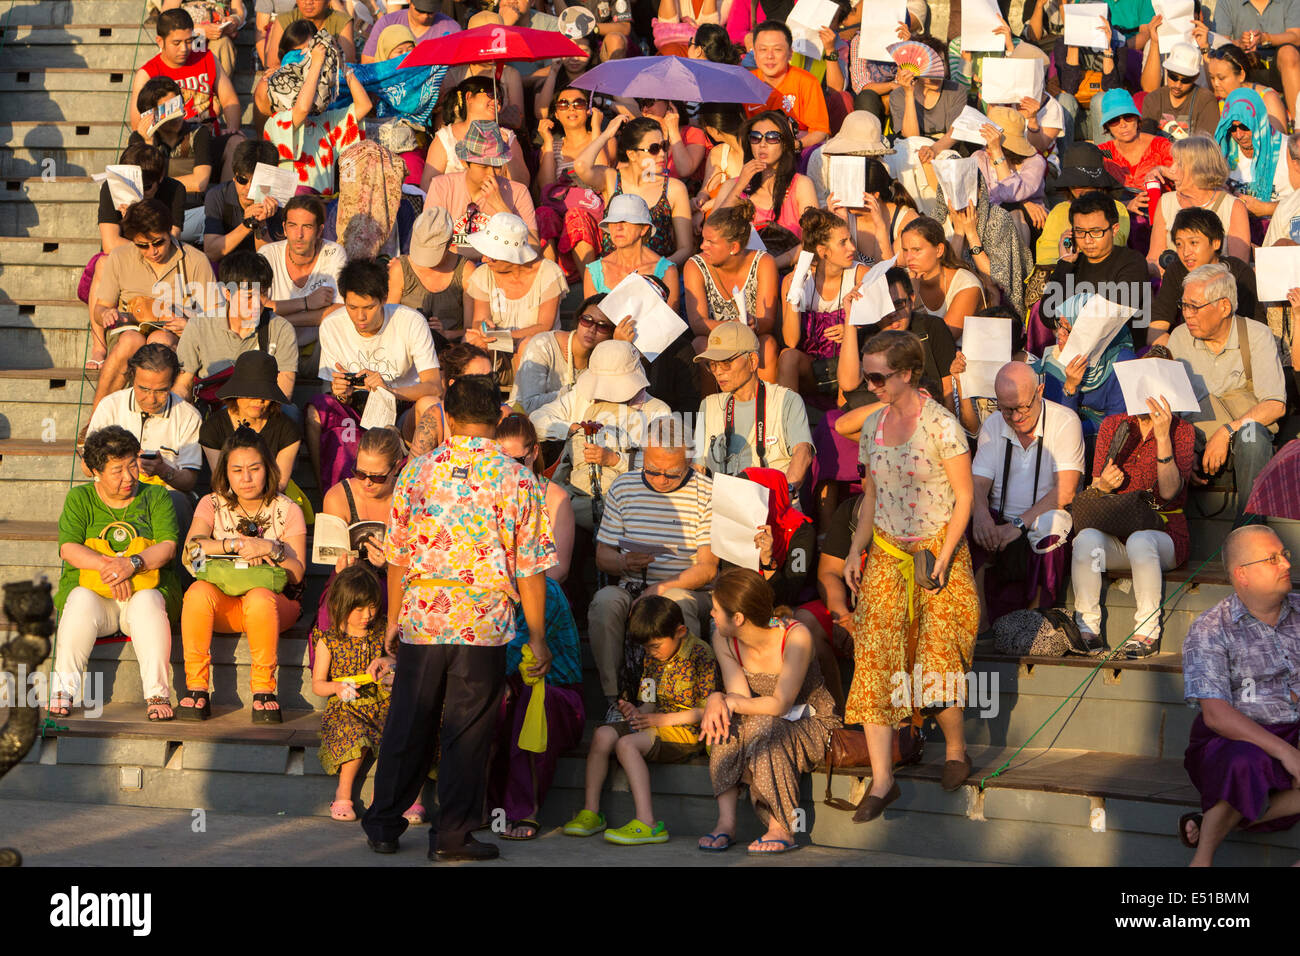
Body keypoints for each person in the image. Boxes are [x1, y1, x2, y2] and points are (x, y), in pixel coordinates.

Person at [361, 376, 555, 862]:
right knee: (467, 730)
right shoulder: (518, 478)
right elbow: (530, 570)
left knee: (408, 721)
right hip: (483, 623)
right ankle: (451, 837)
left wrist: (393, 618)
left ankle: (383, 823)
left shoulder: (415, 472)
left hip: (422, 617)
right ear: (499, 416)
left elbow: (399, 557)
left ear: (446, 415)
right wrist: (537, 637)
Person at [842, 330, 979, 818]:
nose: (871, 384)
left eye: (878, 376)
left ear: (907, 374)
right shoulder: (874, 424)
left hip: (934, 551)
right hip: (884, 549)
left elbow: (965, 497)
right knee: (875, 657)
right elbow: (872, 497)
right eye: (867, 376)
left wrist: (944, 556)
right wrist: (854, 552)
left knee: (939, 653)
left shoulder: (942, 425)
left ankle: (956, 750)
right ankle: (883, 781)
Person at [1180, 524, 1300, 866]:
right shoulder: (1211, 628)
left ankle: (1210, 825)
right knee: (1245, 763)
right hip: (1235, 741)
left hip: (1295, 730)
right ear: (1242, 575)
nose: (1286, 564)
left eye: (1285, 555)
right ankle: (1202, 860)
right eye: (1273, 559)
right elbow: (1216, 715)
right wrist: (1287, 753)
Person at [699, 568, 841, 853]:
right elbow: (738, 694)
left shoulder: (795, 635)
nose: (711, 615)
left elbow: (781, 704)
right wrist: (718, 699)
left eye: (715, 610)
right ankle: (726, 823)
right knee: (726, 726)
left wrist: (730, 702)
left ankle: (781, 826)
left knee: (766, 728)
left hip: (812, 719)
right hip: (760, 716)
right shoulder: (724, 639)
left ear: (738, 618)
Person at [49, 426, 181, 722]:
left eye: (133, 465)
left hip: (144, 598)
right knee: (80, 598)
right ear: (96, 471)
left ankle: (158, 693)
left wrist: (131, 565)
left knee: (147, 601)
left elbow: (168, 547)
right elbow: (68, 548)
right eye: (117, 470)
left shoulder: (156, 496)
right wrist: (113, 568)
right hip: (98, 601)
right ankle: (63, 690)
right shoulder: (79, 499)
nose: (129, 477)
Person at [564, 596, 718, 845]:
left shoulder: (701, 654)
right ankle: (591, 812)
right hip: (655, 723)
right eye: (646, 648)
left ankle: (648, 823)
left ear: (680, 631)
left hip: (686, 731)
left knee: (626, 745)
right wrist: (636, 712)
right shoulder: (652, 657)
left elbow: (706, 710)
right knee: (603, 735)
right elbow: (648, 700)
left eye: (655, 646)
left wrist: (660, 719)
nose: (650, 652)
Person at [589, 415, 717, 712]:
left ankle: (682, 699)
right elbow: (602, 556)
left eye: (671, 473)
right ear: (642, 457)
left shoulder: (705, 491)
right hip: (633, 583)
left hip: (685, 587)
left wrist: (659, 589)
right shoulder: (624, 486)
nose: (660, 479)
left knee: (676, 602)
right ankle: (614, 697)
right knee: (604, 602)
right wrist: (623, 561)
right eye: (652, 470)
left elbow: (708, 568)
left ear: (688, 461)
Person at [178, 428, 307, 722]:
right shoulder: (211, 503)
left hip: (273, 607)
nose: (245, 478)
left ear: (268, 470)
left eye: (254, 469)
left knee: (260, 597)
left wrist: (271, 549)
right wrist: (232, 544)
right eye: (236, 470)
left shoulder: (286, 509)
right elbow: (192, 558)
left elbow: (297, 574)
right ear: (226, 472)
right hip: (223, 605)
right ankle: (196, 688)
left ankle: (264, 691)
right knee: (197, 593)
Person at [1071, 398, 1197, 659]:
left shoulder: (1182, 430)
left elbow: (1169, 492)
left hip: (1163, 533)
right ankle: (1087, 629)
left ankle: (1146, 631)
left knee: (1140, 541)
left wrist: (1163, 437)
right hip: (1117, 532)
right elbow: (1096, 489)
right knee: (1086, 539)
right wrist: (1103, 486)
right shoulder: (1114, 425)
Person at [970, 361, 1085, 624]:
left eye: (1022, 407)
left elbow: (1065, 491)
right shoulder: (993, 424)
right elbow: (977, 484)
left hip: (1039, 520)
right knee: (966, 518)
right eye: (1006, 409)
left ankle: (1033, 622)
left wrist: (1017, 525)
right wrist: (981, 516)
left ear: (1040, 391)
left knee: (1053, 525)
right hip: (998, 521)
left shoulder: (1065, 421)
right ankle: (981, 622)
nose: (1015, 416)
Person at [1168, 263, 1286, 518]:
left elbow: (1275, 404)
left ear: (1224, 307)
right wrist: (1184, 450)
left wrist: (1226, 432)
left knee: (1252, 436)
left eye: (1194, 306)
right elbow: (1173, 408)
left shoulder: (1256, 335)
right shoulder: (1178, 338)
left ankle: (1250, 529)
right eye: (1184, 305)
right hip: (1197, 438)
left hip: (1245, 438)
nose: (1187, 314)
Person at [310, 258, 441, 486]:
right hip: (355, 407)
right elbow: (331, 394)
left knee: (429, 404)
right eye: (352, 307)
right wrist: (342, 393)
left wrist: (389, 390)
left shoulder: (410, 321)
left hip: (402, 407)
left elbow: (434, 386)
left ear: (383, 300)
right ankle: (326, 490)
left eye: (368, 308)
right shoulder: (332, 325)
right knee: (316, 409)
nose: (360, 317)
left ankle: (414, 487)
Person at [86, 200, 217, 421]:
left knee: (159, 341)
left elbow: (217, 316)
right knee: (131, 340)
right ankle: (97, 420)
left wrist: (189, 323)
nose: (152, 251)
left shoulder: (195, 260)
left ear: (170, 233)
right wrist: (105, 314)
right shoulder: (120, 256)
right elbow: (101, 306)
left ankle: (154, 422)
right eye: (143, 246)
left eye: (158, 243)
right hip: (127, 333)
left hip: (175, 336)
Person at [531, 340, 672, 531]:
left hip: (630, 509)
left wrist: (616, 460)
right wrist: (573, 430)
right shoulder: (581, 397)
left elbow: (663, 466)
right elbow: (537, 419)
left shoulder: (657, 411)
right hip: (577, 502)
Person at [311, 564, 401, 821]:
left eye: (372, 606)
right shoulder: (329, 640)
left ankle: (385, 796)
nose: (367, 615)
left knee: (398, 729)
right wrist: (337, 687)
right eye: (359, 609)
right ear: (341, 605)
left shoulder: (384, 631)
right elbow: (318, 683)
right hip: (347, 706)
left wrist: (391, 668)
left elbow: (402, 662)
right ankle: (343, 793)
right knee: (355, 733)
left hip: (383, 700)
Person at [86, 344, 202, 532]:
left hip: (163, 499)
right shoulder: (110, 406)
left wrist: (163, 470)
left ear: (173, 383)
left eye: (161, 390)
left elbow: (189, 481)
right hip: (112, 495)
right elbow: (86, 467)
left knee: (178, 502)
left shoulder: (188, 415)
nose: (151, 399)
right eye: (144, 389)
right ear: (132, 377)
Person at [693, 322, 814, 501]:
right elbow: (698, 468)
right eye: (712, 365)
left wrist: (784, 494)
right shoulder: (708, 406)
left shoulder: (786, 400)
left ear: (753, 361)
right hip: (725, 509)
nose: (718, 372)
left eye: (725, 363)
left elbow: (803, 453)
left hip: (773, 507)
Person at [173, 250, 299, 406]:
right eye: (249, 296)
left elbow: (283, 392)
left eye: (263, 294)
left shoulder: (281, 329)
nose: (257, 303)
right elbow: (183, 384)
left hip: (262, 410)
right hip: (214, 412)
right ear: (227, 293)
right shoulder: (199, 326)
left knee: (291, 413)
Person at [573, 114, 694, 268]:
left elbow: (685, 248)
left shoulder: (674, 189)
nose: (663, 154)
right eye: (654, 149)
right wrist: (607, 134)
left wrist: (655, 269)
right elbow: (581, 166)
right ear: (631, 154)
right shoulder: (611, 179)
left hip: (655, 277)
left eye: (664, 146)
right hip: (614, 273)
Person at [262, 36, 374, 196]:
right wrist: (316, 64)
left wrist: (342, 65)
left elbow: (364, 105)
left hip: (321, 209)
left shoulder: (323, 122)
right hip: (287, 208)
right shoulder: (275, 122)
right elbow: (301, 108)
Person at [463, 212, 570, 375]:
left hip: (540, 352)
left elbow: (544, 326)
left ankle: (525, 398)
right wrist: (483, 328)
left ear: (512, 257)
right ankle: (476, 396)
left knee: (527, 343)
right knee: (471, 341)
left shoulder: (548, 273)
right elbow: (479, 319)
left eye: (491, 256)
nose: (484, 259)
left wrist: (504, 336)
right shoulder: (483, 274)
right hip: (498, 351)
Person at [684, 201, 780, 380]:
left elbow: (768, 321)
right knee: (700, 344)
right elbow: (698, 324)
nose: (702, 246)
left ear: (734, 247)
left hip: (752, 340)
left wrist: (755, 324)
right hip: (716, 340)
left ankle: (765, 405)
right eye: (703, 239)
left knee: (768, 343)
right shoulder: (695, 265)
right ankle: (711, 405)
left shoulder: (763, 263)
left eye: (710, 242)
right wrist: (732, 327)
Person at [1043, 192, 1152, 347]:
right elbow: (1047, 315)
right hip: (1073, 351)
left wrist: (1067, 318)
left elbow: (1111, 316)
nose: (1087, 240)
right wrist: (1064, 263)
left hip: (1118, 353)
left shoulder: (1131, 262)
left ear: (1114, 230)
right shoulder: (1072, 263)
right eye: (1080, 232)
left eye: (1095, 232)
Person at [713, 110, 818, 269]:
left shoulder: (801, 185)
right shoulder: (732, 186)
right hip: (741, 274)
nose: (762, 144)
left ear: (785, 143)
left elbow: (813, 240)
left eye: (772, 138)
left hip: (787, 273)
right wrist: (740, 185)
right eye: (756, 137)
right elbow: (713, 233)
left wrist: (769, 267)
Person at [778, 208, 866, 396]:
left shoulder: (861, 276)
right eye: (843, 242)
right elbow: (791, 341)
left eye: (850, 239)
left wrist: (853, 330)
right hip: (812, 369)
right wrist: (795, 293)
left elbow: (879, 328)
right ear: (823, 251)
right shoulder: (794, 281)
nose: (852, 247)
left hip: (849, 368)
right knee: (787, 357)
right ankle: (785, 421)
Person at [131, 8, 243, 152]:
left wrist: (232, 128)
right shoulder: (147, 73)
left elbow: (229, 99)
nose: (184, 48)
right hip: (169, 146)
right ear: (160, 41)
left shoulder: (206, 58)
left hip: (207, 140)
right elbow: (137, 124)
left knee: (237, 141)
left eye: (189, 41)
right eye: (176, 43)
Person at [1150, 207, 1260, 347]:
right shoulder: (1175, 271)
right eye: (1179, 244)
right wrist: (1182, 352)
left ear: (1216, 242)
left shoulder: (1238, 272)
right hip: (1189, 351)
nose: (1185, 252)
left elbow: (1256, 328)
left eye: (1193, 243)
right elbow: (1155, 331)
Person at [536, 85, 614, 278]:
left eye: (578, 103)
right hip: (558, 216)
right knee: (543, 213)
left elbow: (602, 177)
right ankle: (551, 281)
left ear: (588, 110)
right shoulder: (551, 146)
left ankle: (592, 283)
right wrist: (546, 141)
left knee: (575, 216)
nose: (571, 108)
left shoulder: (605, 139)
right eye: (563, 104)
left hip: (592, 217)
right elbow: (546, 188)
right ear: (556, 113)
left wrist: (597, 128)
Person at [424, 120, 539, 250]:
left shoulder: (518, 192)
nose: (491, 174)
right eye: (483, 166)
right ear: (463, 162)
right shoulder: (442, 187)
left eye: (497, 166)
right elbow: (428, 243)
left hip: (498, 268)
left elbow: (534, 248)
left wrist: (501, 208)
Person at [1037, 292, 1137, 440]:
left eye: (1068, 329)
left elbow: (1117, 426)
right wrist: (1069, 388)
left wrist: (1077, 430)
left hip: (1107, 446)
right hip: (1065, 442)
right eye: (1059, 324)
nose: (1059, 333)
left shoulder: (1122, 364)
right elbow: (1055, 423)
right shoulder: (1055, 361)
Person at [199, 351, 302, 493]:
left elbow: (280, 484)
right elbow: (221, 483)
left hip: (273, 501)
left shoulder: (288, 429)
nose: (259, 401)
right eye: (250, 393)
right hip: (227, 501)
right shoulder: (212, 428)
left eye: (265, 394)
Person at [128, 77, 215, 242]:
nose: (175, 116)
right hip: (152, 213)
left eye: (176, 105)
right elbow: (137, 186)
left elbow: (200, 181)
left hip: (189, 209)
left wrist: (157, 185)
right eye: (167, 109)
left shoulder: (198, 133)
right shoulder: (138, 139)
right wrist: (148, 143)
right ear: (150, 114)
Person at [260, 194, 348, 353]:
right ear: (284, 228)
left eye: (307, 226)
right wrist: (306, 303)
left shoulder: (333, 253)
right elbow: (257, 307)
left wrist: (284, 320)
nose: (299, 235)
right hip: (275, 345)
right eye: (293, 225)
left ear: (319, 230)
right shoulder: (268, 254)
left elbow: (341, 310)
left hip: (319, 346)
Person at [1147, 135, 1252, 266]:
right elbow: (1153, 258)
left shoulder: (1233, 206)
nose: (1172, 170)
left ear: (1199, 168)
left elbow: (1239, 266)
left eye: (1179, 164)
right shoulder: (1166, 202)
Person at [496, 414, 575, 583]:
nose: (510, 469)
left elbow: (559, 571)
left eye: (517, 461)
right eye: (502, 461)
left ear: (534, 452)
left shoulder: (555, 497)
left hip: (540, 590)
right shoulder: (487, 493)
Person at [385, 207, 475, 349]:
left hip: (449, 350)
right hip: (407, 346)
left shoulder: (465, 270)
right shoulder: (400, 269)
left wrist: (445, 334)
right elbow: (389, 319)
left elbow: (470, 330)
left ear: (450, 243)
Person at [1033, 143, 1130, 269]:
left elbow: (1108, 250)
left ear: (1099, 184)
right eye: (1073, 184)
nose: (1079, 189)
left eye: (1085, 184)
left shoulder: (1117, 209)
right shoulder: (1059, 211)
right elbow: (1044, 256)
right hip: (1057, 277)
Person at [584, 194, 681, 312]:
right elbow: (591, 323)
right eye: (613, 221)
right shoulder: (594, 271)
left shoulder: (667, 271)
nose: (618, 227)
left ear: (644, 229)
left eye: (625, 221)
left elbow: (669, 325)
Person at [425, 77, 530, 184]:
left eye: (499, 98)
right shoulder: (446, 137)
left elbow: (523, 183)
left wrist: (506, 151)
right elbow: (428, 185)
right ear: (469, 97)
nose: (497, 101)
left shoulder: (506, 137)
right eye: (491, 94)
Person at [898, 215, 983, 343]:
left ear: (939, 250)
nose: (909, 257)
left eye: (916, 250)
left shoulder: (967, 285)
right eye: (905, 250)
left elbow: (941, 341)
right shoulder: (903, 280)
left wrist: (915, 300)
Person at [744, 21, 829, 149]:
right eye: (763, 49)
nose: (770, 56)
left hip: (795, 150)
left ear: (790, 53)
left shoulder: (806, 82)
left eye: (777, 49)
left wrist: (796, 145)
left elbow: (820, 131)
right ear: (754, 54)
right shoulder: (746, 83)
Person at [203, 139, 285, 262]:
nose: (248, 188)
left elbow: (270, 262)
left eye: (256, 182)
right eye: (242, 180)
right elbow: (211, 252)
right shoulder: (217, 195)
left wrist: (261, 225)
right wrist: (248, 224)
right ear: (234, 176)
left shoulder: (279, 201)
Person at [1216, 87, 1291, 221]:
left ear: (1258, 120)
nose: (1239, 135)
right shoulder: (1225, 152)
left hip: (1281, 229)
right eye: (1233, 128)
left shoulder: (1288, 151)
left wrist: (1266, 209)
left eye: (1245, 127)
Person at [97, 142, 184, 257]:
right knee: (102, 263)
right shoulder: (110, 187)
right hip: (123, 256)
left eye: (146, 187)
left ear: (161, 177)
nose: (140, 193)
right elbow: (110, 244)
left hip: (158, 256)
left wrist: (137, 220)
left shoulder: (175, 189)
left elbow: (171, 241)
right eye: (130, 186)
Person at [1096, 89, 1175, 213]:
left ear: (1137, 119)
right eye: (1114, 120)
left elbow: (1187, 178)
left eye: (1128, 117)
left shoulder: (1160, 147)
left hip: (1161, 217)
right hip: (1119, 220)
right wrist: (1126, 205)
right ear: (1107, 126)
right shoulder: (1105, 152)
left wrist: (1162, 170)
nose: (1122, 124)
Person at [1139, 42, 1221, 140]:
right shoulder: (1153, 99)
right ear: (1166, 71)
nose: (1178, 85)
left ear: (1196, 77)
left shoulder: (1205, 100)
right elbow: (1146, 141)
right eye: (1173, 77)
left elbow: (1206, 146)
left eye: (1185, 80)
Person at [1205, 43, 1289, 134]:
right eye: (1212, 78)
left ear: (1241, 75)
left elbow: (1278, 143)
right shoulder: (1220, 101)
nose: (1216, 83)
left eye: (1221, 78)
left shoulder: (1267, 99)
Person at [264, 0, 357, 67]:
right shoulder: (285, 20)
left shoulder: (342, 21)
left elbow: (347, 62)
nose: (308, 2)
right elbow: (273, 63)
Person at [360, 0, 459, 63]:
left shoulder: (451, 29)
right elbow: (368, 60)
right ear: (409, 1)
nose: (424, 16)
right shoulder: (387, 22)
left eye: (430, 12)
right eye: (420, 10)